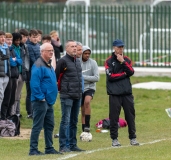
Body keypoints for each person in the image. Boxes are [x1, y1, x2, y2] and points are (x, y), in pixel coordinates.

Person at [104, 39, 139, 147]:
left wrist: (123, 62)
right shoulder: (109, 61)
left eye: (122, 47)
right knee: (114, 117)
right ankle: (114, 139)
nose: (120, 49)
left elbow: (131, 72)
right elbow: (110, 76)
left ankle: (133, 138)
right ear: (114, 48)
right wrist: (124, 75)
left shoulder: (127, 59)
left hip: (127, 93)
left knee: (130, 116)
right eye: (118, 47)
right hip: (114, 93)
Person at [29, 43, 62, 156]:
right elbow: (34, 84)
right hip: (41, 101)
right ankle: (33, 149)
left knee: (50, 125)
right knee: (37, 125)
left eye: (52, 50)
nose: (52, 52)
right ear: (42, 52)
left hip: (49, 101)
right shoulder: (38, 65)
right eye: (49, 50)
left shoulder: (48, 65)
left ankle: (49, 147)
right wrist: (41, 97)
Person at [56, 40, 84, 152]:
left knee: (74, 121)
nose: (75, 48)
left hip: (77, 95)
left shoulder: (77, 61)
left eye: (75, 47)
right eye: (72, 46)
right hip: (67, 95)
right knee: (65, 121)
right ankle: (63, 146)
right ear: (67, 48)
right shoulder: (62, 61)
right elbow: (56, 76)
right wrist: (61, 90)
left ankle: (73, 144)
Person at [1, 33, 22, 119]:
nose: (9, 41)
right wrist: (15, 60)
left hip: (14, 76)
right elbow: (12, 63)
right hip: (8, 76)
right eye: (8, 39)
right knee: (6, 98)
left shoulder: (12, 49)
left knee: (12, 98)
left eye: (10, 40)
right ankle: (4, 116)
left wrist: (15, 60)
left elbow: (20, 61)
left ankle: (9, 116)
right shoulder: (5, 50)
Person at [80, 46, 100, 132]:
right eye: (85, 53)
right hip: (80, 88)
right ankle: (84, 128)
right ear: (82, 53)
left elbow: (96, 78)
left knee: (87, 101)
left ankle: (87, 125)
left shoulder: (93, 63)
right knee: (82, 108)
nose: (87, 55)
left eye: (89, 53)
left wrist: (82, 77)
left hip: (90, 87)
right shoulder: (77, 62)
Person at [26, 29, 40, 119]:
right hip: (31, 71)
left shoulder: (38, 45)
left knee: (37, 91)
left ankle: (36, 110)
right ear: (29, 37)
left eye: (36, 37)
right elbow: (32, 59)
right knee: (30, 92)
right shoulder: (28, 46)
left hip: (39, 70)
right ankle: (30, 112)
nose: (35, 39)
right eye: (33, 37)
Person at [0, 31, 10, 117]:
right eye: (1, 37)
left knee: (2, 97)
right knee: (0, 96)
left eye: (4, 37)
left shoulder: (6, 48)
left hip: (6, 75)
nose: (3, 38)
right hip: (0, 76)